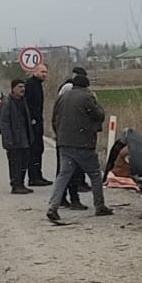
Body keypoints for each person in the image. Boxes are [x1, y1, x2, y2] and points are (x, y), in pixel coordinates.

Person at [46, 74, 113, 223]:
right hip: (83, 144)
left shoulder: (62, 97)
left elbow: (54, 119)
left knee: (63, 175)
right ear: (86, 86)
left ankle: (53, 206)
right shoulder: (86, 97)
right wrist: (96, 102)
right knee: (95, 175)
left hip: (64, 144)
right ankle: (99, 206)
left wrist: (60, 136)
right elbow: (99, 115)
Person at [56, 66, 89, 207]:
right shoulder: (71, 91)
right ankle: (72, 199)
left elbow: (55, 117)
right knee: (70, 171)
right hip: (73, 139)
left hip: (63, 137)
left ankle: (60, 200)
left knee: (64, 172)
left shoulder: (64, 90)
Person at [0, 79, 35, 195]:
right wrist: (8, 139)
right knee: (15, 163)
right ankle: (15, 185)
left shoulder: (23, 101)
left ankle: (21, 183)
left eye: (23, 87)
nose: (22, 89)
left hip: (25, 138)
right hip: (14, 139)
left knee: (24, 162)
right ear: (13, 88)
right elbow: (4, 122)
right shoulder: (7, 102)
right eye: (19, 87)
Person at [24, 62, 52, 186]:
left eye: (45, 72)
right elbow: (29, 105)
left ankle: (37, 175)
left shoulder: (37, 85)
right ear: (35, 72)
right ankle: (34, 177)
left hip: (38, 122)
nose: (44, 74)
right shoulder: (31, 85)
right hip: (33, 124)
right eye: (42, 72)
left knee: (38, 149)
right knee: (34, 150)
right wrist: (32, 120)